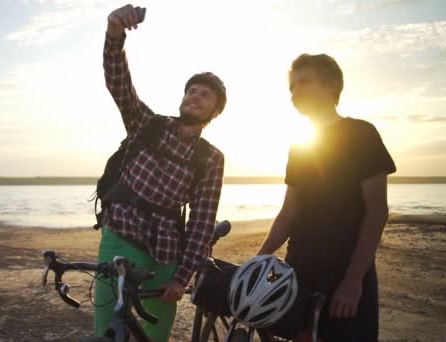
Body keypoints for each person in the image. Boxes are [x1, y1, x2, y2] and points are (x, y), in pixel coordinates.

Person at [95, 4, 227, 341]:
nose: (195, 96)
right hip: (120, 237)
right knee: (109, 330)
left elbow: (201, 224)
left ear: (215, 110)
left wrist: (182, 278)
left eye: (205, 94)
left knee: (152, 335)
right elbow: (119, 83)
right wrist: (114, 35)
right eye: (191, 90)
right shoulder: (148, 125)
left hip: (165, 254)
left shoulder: (210, 157)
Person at [256, 53, 396, 342]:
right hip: (300, 270)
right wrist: (257, 261)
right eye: (291, 86)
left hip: (345, 273)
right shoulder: (299, 147)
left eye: (304, 82)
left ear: (331, 86)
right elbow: (289, 214)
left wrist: (353, 280)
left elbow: (377, 212)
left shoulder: (361, 134)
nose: (295, 92)